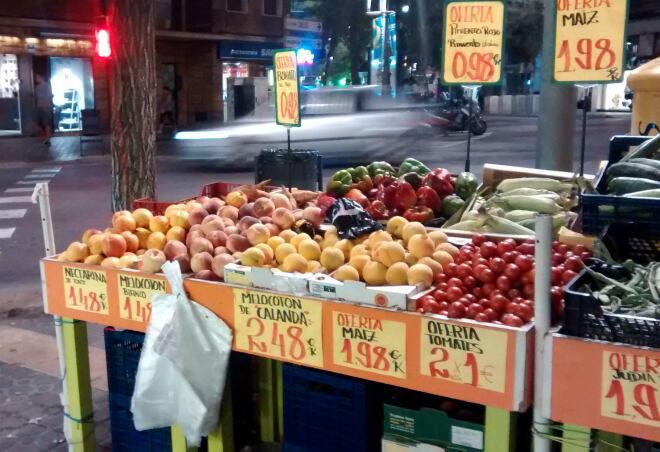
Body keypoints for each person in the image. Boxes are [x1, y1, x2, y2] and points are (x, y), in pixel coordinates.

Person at [34, 74, 53, 145]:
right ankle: (47, 138)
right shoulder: (48, 86)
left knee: (39, 122)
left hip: (41, 106)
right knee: (47, 124)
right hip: (47, 106)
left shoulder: (37, 87)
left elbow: (36, 97)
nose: (36, 79)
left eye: (37, 77)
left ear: (41, 78)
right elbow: (50, 96)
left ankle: (45, 137)